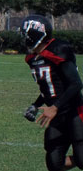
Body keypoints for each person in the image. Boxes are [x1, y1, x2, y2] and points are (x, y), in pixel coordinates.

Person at [22, 14, 83, 171]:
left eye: (25, 33)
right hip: (56, 114)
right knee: (54, 162)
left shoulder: (58, 50)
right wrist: (35, 105)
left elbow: (76, 84)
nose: (23, 37)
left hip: (74, 111)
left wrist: (54, 107)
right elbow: (49, 89)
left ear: (34, 34)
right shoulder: (32, 58)